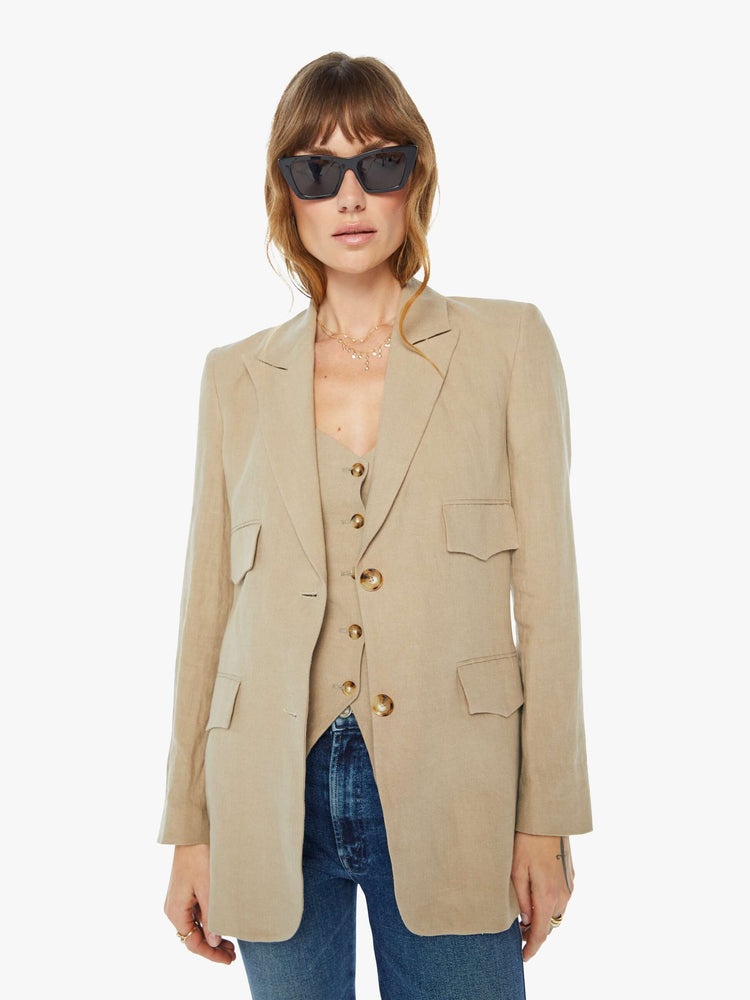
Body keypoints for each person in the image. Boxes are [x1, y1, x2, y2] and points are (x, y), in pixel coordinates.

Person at [158, 51, 593, 1000]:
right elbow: (207, 615)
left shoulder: (508, 347)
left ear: (415, 178)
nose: (349, 196)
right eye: (317, 169)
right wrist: (189, 828)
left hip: (458, 788)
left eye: (378, 164)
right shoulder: (235, 378)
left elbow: (550, 602)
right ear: (287, 194)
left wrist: (547, 820)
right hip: (268, 791)